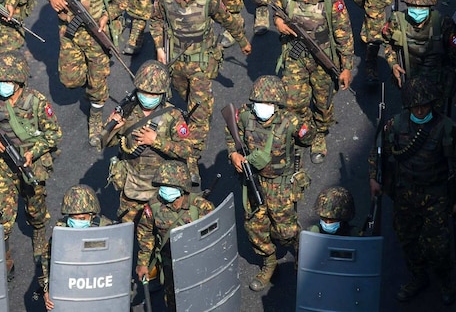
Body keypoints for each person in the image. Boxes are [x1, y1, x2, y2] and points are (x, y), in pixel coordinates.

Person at [150, 0, 251, 184]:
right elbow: (155, 21)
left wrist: (243, 41)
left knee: (199, 114)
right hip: (175, 65)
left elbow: (228, 20)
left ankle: (192, 159)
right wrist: (159, 47)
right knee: (184, 102)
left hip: (201, 66)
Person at [370, 77, 456, 305]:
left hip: (436, 195)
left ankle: (445, 281)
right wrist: (374, 178)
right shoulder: (395, 125)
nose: (421, 110)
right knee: (408, 241)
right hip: (405, 193)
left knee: (439, 247)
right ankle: (418, 277)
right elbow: (378, 152)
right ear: (408, 106)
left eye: (425, 105)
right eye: (416, 106)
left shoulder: (447, 129)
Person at [45, 0, 129, 148]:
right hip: (70, 33)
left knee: (98, 81)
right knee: (70, 80)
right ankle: (89, 88)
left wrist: (106, 16)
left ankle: (95, 115)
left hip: (97, 35)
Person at [226, 75, 314, 291]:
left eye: (267, 103)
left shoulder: (290, 122)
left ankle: (302, 253)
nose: (261, 107)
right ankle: (269, 262)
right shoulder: (245, 117)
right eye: (258, 102)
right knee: (255, 227)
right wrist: (233, 154)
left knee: (286, 230)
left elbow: (308, 138)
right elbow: (230, 133)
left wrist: (304, 121)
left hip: (280, 184)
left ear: (277, 104)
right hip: (254, 180)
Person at [0, 50, 61, 278]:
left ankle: (38, 233)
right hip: (3, 162)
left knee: (35, 205)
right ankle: (3, 256)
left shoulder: (36, 102)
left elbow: (54, 134)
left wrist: (33, 153)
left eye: (7, 81)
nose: (2, 85)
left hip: (30, 162)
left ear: (19, 82)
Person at [274, 0, 354, 164]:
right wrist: (278, 22)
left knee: (323, 101)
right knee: (293, 101)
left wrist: (346, 67)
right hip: (295, 56)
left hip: (323, 58)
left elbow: (343, 33)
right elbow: (276, 11)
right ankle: (304, 131)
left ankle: (320, 134)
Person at [106, 60, 193, 222]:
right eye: (144, 92)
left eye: (154, 94)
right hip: (132, 185)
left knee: (160, 229)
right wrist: (116, 128)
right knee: (125, 228)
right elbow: (105, 143)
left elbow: (187, 150)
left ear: (162, 93)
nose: (148, 97)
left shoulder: (173, 116)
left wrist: (156, 141)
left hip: (161, 187)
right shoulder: (128, 110)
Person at [136, 160, 214, 309]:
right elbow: (145, 234)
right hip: (170, 263)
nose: (164, 190)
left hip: (198, 263)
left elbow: (215, 237)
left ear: (182, 187)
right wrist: (143, 263)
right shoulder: (154, 206)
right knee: (173, 301)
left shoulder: (201, 207)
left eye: (169, 186)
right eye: (162, 186)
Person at [382, 0, 456, 111]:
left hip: (437, 89)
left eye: (421, 6)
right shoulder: (397, 21)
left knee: (436, 124)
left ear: (430, 5)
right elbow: (388, 44)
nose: (417, 10)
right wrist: (393, 64)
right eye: (413, 5)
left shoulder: (443, 24)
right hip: (409, 86)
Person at [39, 184, 114, 310]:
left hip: (98, 284)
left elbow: (118, 265)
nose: (77, 221)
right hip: (71, 284)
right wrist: (46, 290)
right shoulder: (61, 230)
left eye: (82, 218)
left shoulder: (106, 230)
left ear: (92, 215)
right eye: (73, 218)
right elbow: (47, 259)